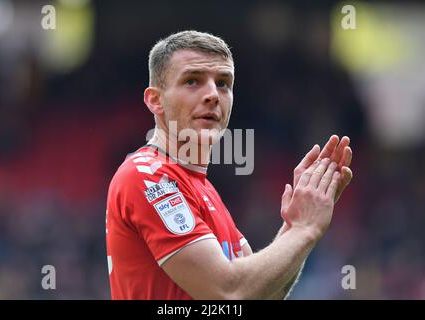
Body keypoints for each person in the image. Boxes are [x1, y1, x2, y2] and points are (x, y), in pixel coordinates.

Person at [105, 30, 353, 300]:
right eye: (192, 81)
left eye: (223, 83)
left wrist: (295, 227)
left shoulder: (202, 190)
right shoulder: (146, 176)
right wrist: (305, 230)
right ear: (155, 100)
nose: (212, 94)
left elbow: (264, 293)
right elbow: (228, 292)